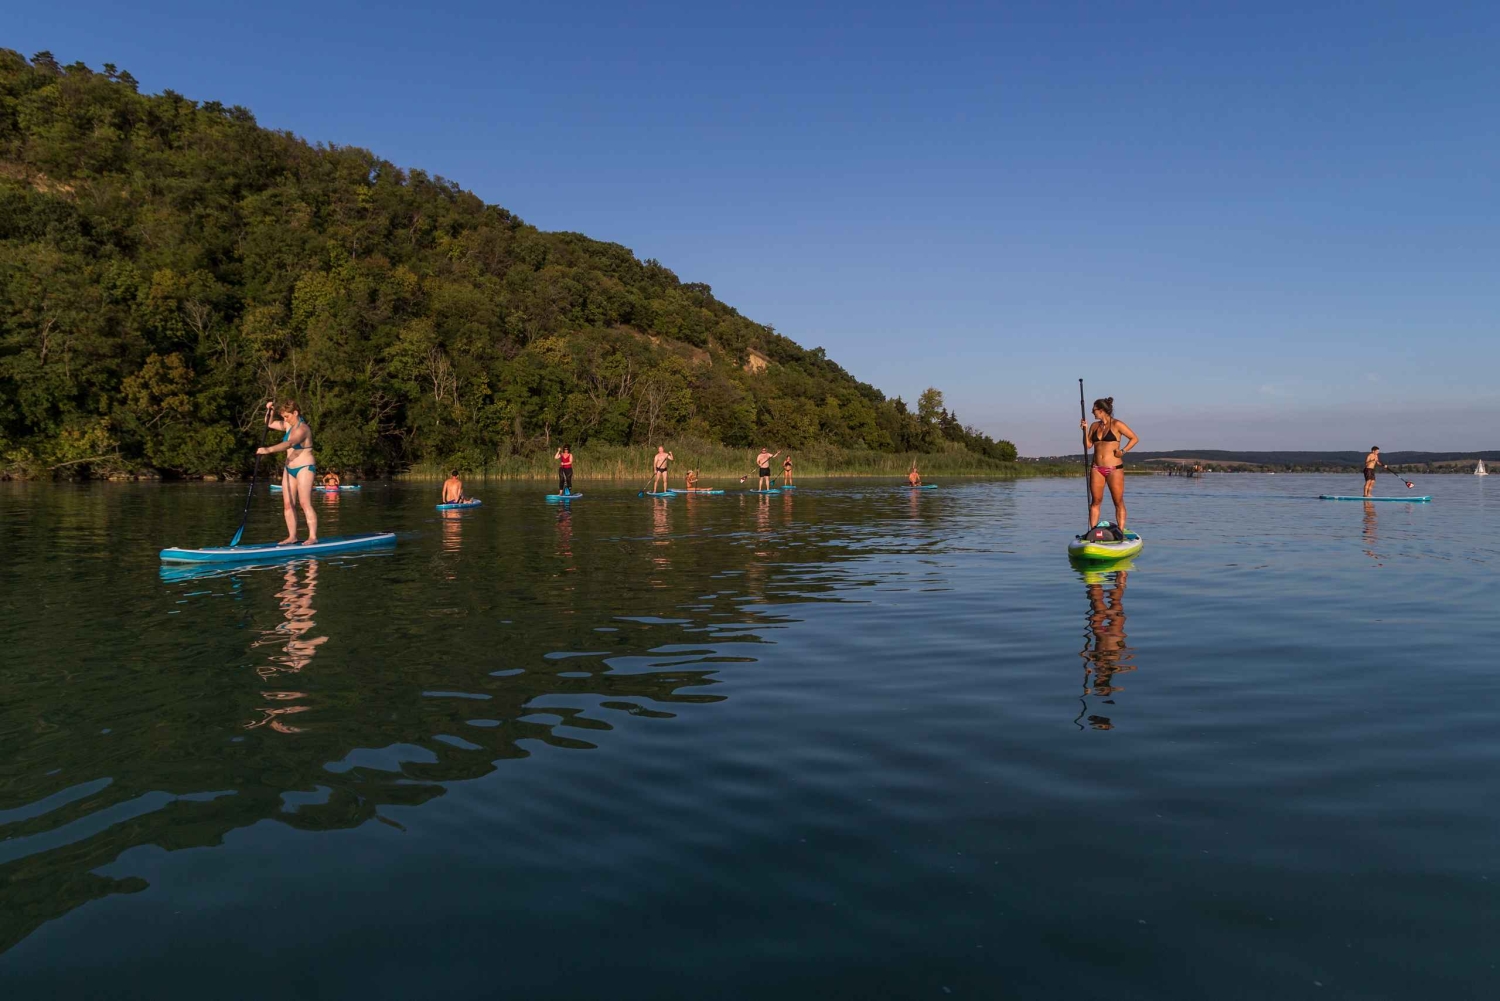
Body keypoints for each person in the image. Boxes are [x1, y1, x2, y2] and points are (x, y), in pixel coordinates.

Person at [257, 400, 318, 545]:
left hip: (305, 467)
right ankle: (292, 536)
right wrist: (269, 411)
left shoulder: (303, 429)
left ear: (295, 413)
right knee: (288, 504)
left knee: (304, 502)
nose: (285, 420)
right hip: (289, 469)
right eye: (283, 417)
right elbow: (269, 423)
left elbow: (289, 443)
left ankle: (313, 537)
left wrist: (268, 450)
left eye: (287, 416)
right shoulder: (287, 425)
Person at [1079, 396, 1138, 531]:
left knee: (1118, 501)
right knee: (1095, 501)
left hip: (1114, 468)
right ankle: (1092, 532)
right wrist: (1084, 430)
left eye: (1094, 409)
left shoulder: (1117, 424)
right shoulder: (1094, 426)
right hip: (1096, 468)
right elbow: (1087, 445)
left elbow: (1134, 438)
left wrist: (1123, 451)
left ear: (1101, 410)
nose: (1092, 412)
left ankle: (1121, 532)